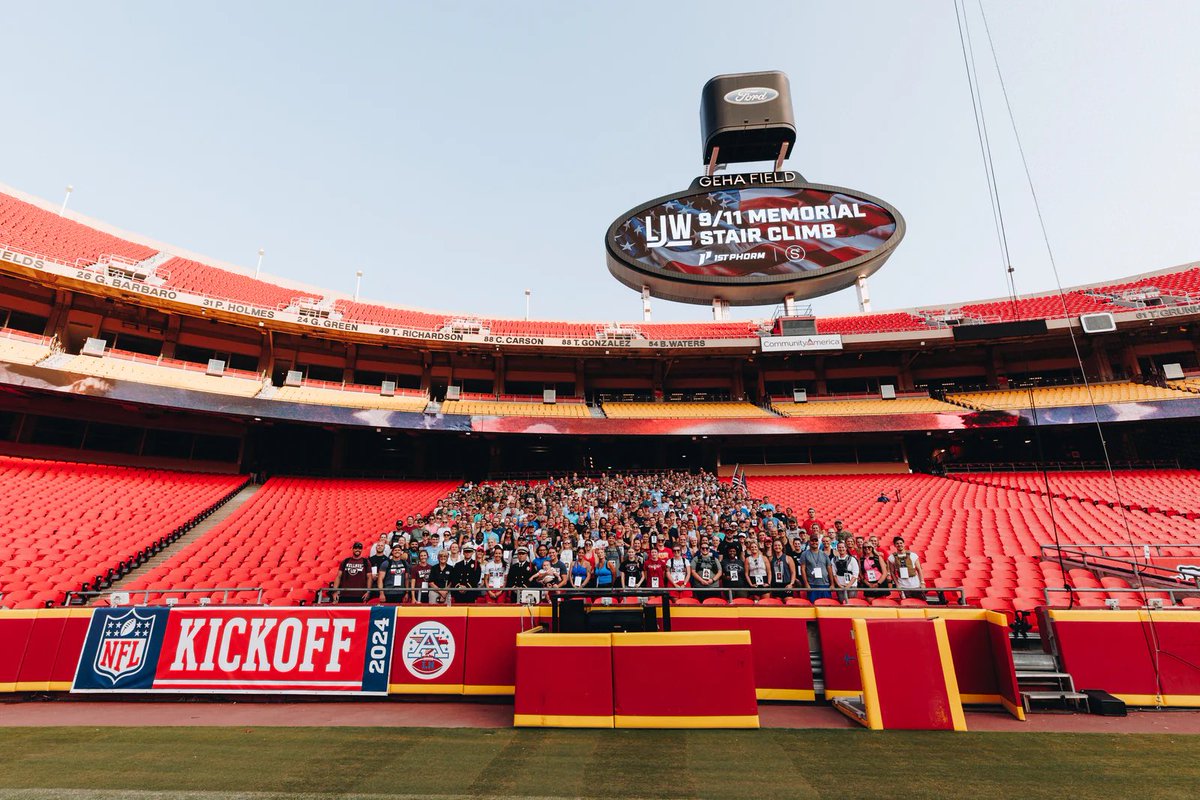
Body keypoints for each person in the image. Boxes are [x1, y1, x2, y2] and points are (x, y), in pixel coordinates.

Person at [798, 535, 833, 601]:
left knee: (826, 604)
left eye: (816, 541)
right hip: (812, 584)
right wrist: (806, 584)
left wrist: (832, 584)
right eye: (812, 541)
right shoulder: (804, 554)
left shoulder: (824, 554)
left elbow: (829, 568)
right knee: (813, 604)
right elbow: (802, 569)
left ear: (818, 542)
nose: (814, 542)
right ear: (809, 542)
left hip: (825, 584)